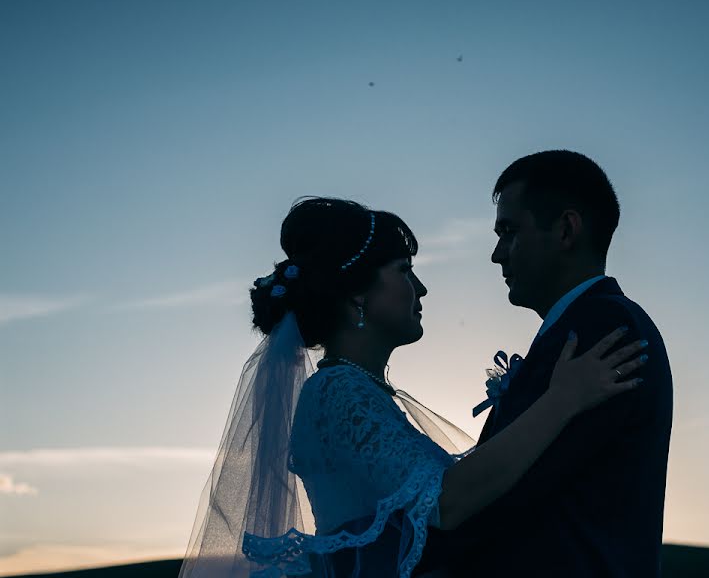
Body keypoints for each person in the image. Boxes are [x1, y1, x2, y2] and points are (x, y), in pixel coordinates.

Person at [178, 196, 648, 578]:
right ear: (358, 293)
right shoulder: (339, 394)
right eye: (404, 271)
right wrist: (562, 400)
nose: (420, 289)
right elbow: (448, 501)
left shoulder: (359, 393)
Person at [418, 150, 673, 577]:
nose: (497, 254)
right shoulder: (580, 327)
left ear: (566, 230)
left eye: (509, 231)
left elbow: (505, 498)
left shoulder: (603, 328)